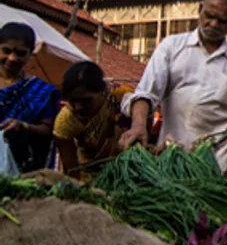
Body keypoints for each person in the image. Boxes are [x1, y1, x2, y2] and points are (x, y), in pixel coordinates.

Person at [121, 0, 227, 172]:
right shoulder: (171, 47)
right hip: (172, 164)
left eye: (223, 21)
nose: (214, 24)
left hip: (221, 170)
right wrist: (138, 126)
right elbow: (146, 93)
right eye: (209, 15)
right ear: (200, 9)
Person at [51, 61, 133, 181]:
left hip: (127, 176)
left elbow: (144, 115)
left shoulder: (121, 98)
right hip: (88, 183)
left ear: (103, 92)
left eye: (86, 101)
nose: (78, 107)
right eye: (73, 101)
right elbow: (71, 172)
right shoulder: (66, 121)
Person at [0, 22, 60, 172]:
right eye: (6, 51)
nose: (12, 58)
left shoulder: (40, 91)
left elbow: (49, 130)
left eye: (20, 53)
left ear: (30, 54)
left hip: (20, 170)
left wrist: (23, 127)